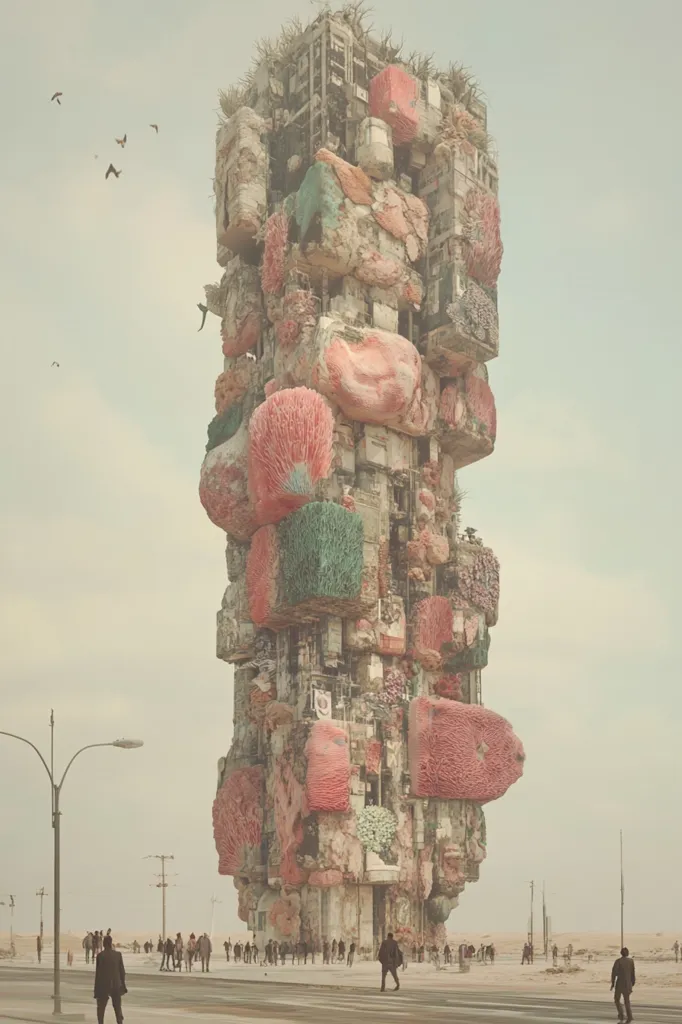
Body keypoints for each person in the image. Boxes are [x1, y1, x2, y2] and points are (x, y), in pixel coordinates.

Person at [94, 934, 127, 1024]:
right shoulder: (118, 955)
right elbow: (122, 972)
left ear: (104, 944)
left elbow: (98, 975)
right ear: (111, 943)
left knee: (101, 1010)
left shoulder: (100, 956)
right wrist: (123, 985)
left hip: (103, 986)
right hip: (116, 985)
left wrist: (96, 991)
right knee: (117, 1008)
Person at [611, 947, 635, 1023]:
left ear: (621, 953)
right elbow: (633, 973)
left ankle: (621, 1015)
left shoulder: (618, 961)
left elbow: (614, 973)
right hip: (628, 984)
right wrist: (632, 982)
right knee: (627, 1001)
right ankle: (629, 1016)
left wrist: (612, 983)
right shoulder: (631, 961)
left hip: (620, 984)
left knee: (617, 999)